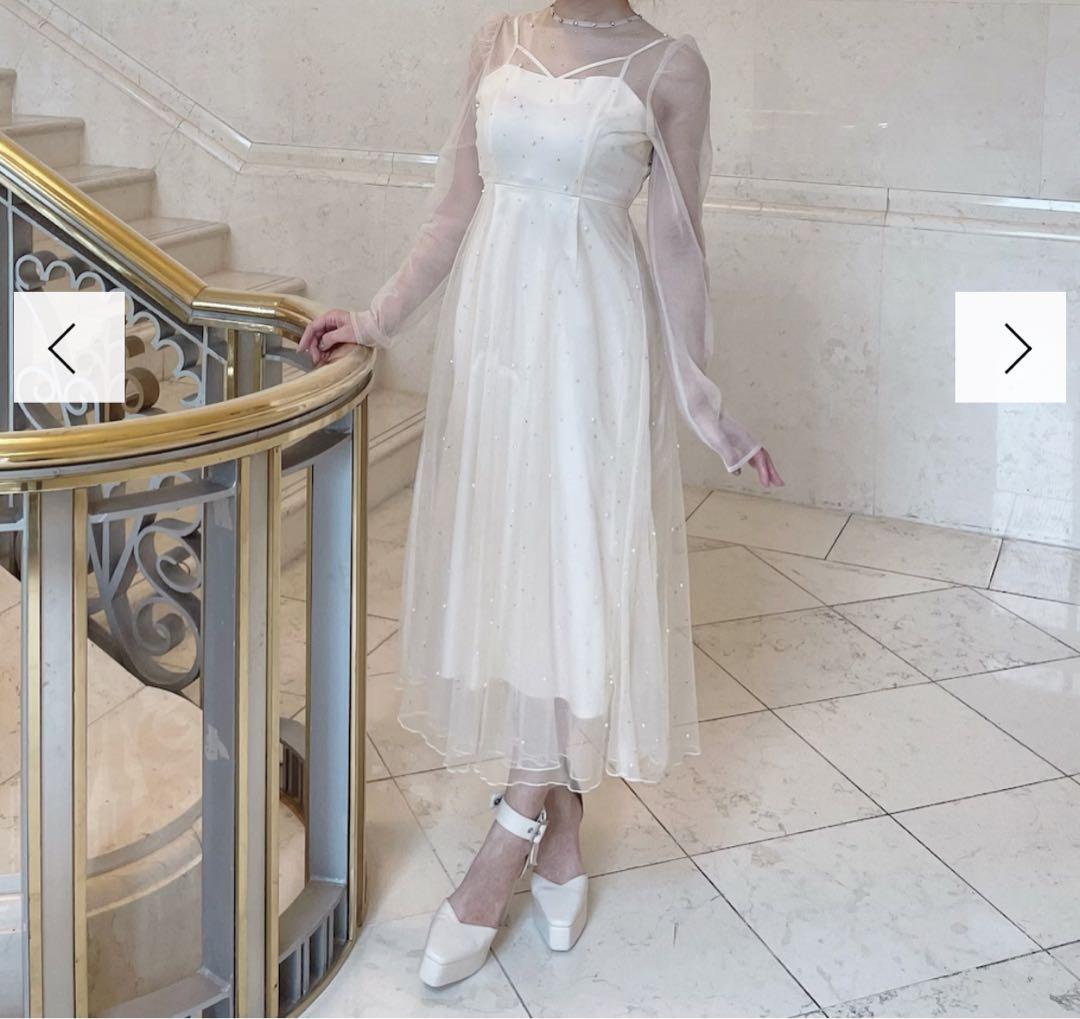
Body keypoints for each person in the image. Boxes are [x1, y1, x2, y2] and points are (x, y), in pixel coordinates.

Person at [300, 0, 783, 987]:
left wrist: (704, 400)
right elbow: (452, 209)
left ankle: (510, 831)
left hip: (593, 343)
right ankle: (560, 820)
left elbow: (679, 242)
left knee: (572, 563)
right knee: (514, 566)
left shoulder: (671, 67)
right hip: (495, 341)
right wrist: (378, 318)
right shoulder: (498, 39)